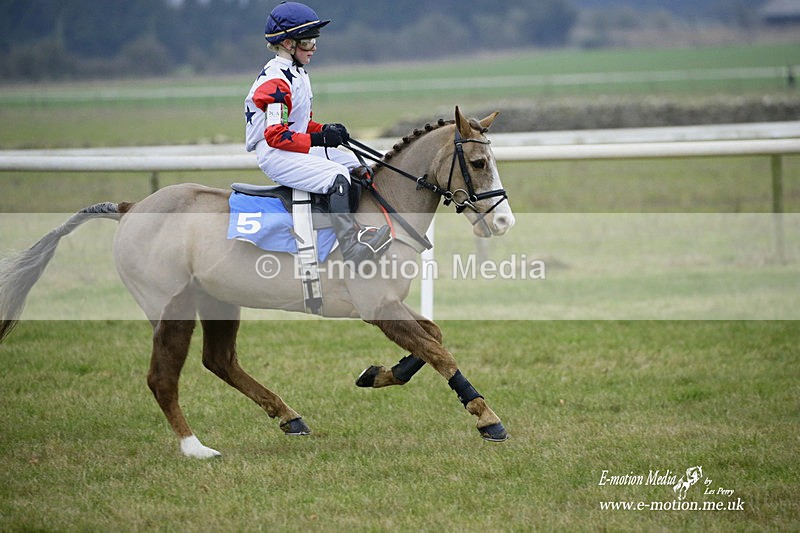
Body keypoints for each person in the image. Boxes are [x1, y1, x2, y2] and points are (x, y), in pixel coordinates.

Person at [244, 1, 391, 265]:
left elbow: (299, 126)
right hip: (276, 154)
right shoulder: (276, 81)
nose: (315, 47)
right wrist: (319, 139)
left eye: (314, 40)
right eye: (309, 41)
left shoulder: (297, 73)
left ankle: (364, 227)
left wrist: (325, 129)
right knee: (336, 176)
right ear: (288, 44)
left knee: (358, 165)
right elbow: (276, 135)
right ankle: (351, 250)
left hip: (291, 147)